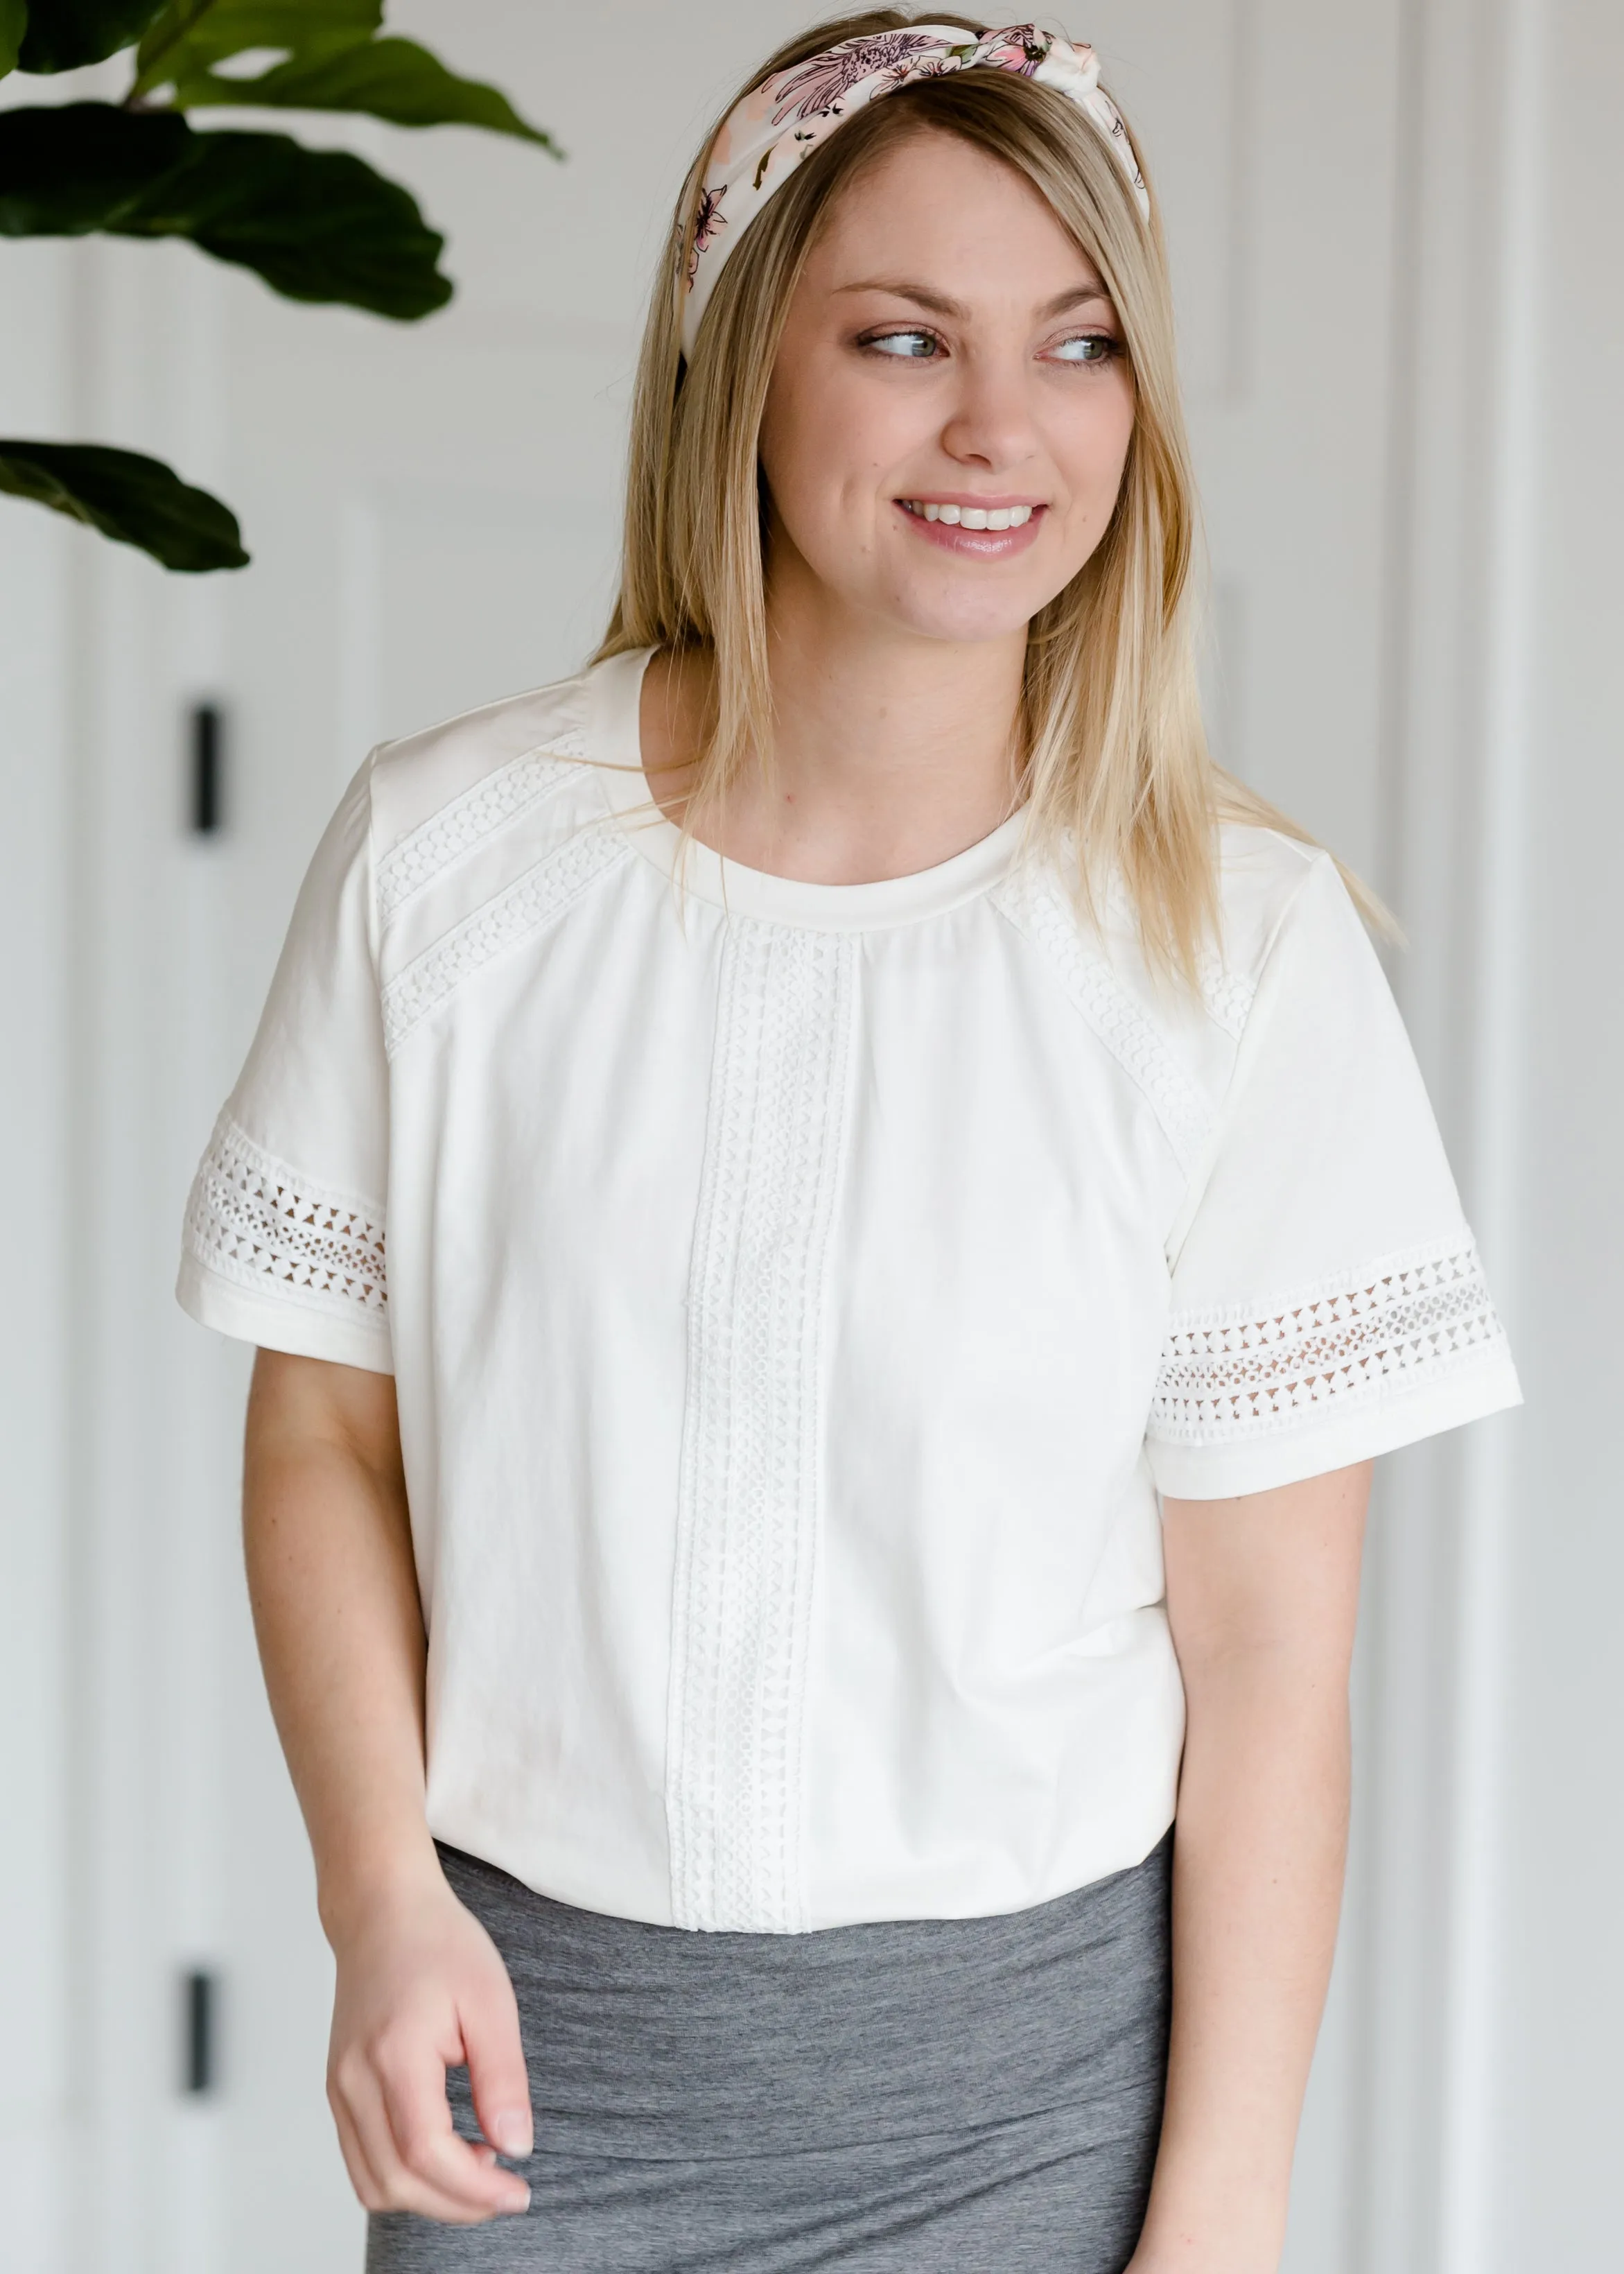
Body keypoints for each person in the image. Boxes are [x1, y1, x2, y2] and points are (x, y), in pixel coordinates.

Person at [177, 15, 1521, 2271]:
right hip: (532, 2071)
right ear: (738, 367)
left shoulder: (1239, 952)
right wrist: (378, 1901)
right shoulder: (450, 862)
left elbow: (1275, 1656)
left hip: (1033, 2117)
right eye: (903, 337)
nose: (1001, 426)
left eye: (1077, 345)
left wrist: (1219, 2216)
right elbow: (323, 1426)